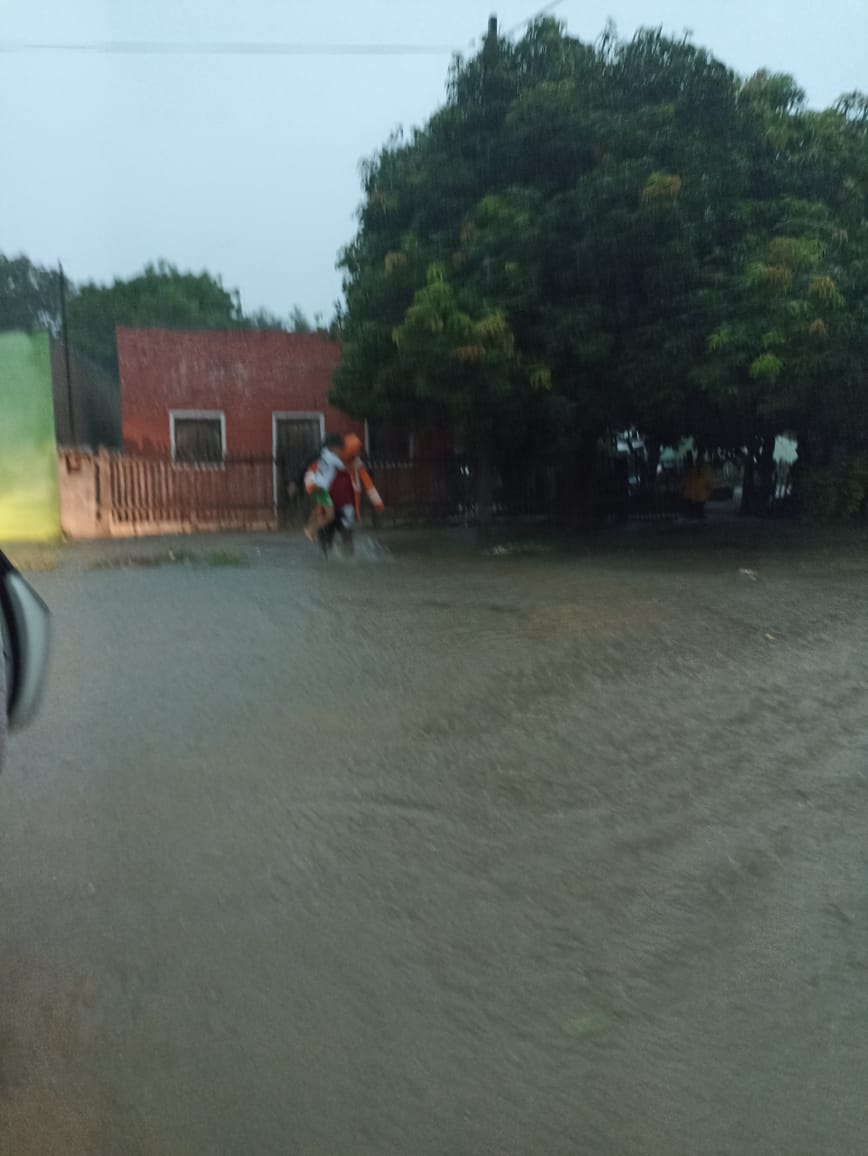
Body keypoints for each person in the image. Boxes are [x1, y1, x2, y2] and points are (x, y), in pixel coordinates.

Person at [303, 434, 345, 541]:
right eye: (340, 449)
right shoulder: (333, 458)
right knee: (331, 515)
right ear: (333, 447)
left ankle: (308, 527)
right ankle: (311, 530)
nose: (341, 451)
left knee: (319, 508)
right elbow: (343, 468)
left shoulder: (322, 453)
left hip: (313, 484)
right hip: (320, 488)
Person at [681, 452, 714, 519]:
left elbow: (708, 483)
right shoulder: (693, 471)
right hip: (694, 493)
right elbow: (686, 481)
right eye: (698, 462)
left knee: (699, 506)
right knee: (695, 506)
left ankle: (698, 516)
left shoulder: (703, 471)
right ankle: (695, 516)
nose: (699, 463)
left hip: (699, 493)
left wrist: (709, 490)